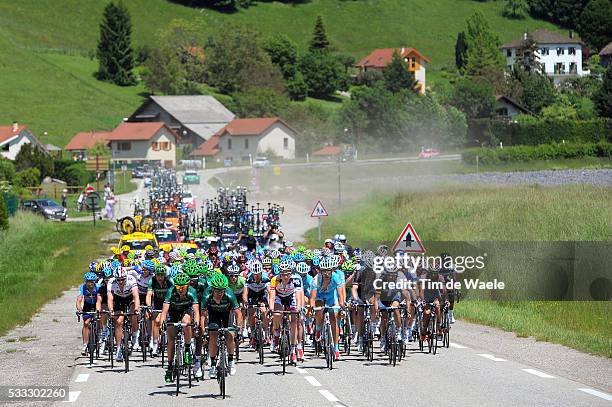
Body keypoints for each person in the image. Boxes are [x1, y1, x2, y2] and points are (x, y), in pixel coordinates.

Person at [160, 273, 200, 383]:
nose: (180, 289)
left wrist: (196, 324)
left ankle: (187, 348)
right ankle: (169, 366)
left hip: (186, 311)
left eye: (183, 287)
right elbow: (164, 311)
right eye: (178, 287)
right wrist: (162, 323)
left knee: (186, 322)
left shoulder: (192, 292)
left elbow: (196, 311)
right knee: (171, 339)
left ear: (187, 286)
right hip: (173, 312)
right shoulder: (170, 291)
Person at [76, 272, 100, 356]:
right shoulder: (82, 287)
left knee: (100, 320)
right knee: (86, 323)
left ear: (95, 281)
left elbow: (101, 299)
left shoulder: (98, 287)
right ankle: (85, 345)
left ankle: (101, 337)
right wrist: (79, 309)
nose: (90, 283)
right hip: (87, 305)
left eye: (92, 281)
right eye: (88, 281)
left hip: (97, 304)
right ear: (85, 281)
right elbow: (79, 299)